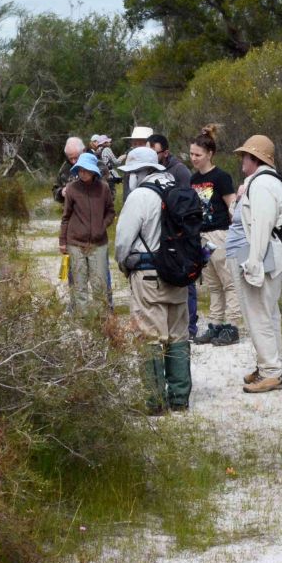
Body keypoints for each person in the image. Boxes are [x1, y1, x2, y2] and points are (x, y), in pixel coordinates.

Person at [114, 147, 191, 413]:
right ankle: (180, 399)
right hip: (179, 274)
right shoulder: (178, 188)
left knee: (149, 337)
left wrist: (124, 265)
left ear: (139, 172)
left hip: (148, 275)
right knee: (178, 335)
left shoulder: (140, 196)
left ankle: (155, 401)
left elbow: (123, 241)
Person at [229, 134, 282, 394]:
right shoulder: (261, 182)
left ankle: (271, 371)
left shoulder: (262, 184)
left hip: (261, 258)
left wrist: (253, 266)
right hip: (265, 255)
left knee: (258, 314)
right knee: (267, 312)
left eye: (245, 155)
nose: (242, 159)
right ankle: (270, 364)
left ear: (255, 158)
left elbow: (261, 227)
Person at [188, 125, 240, 346]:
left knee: (229, 281)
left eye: (198, 155)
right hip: (202, 236)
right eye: (191, 154)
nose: (194, 158)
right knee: (213, 283)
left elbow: (232, 206)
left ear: (209, 154)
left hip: (220, 234)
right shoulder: (193, 180)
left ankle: (232, 325)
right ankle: (215, 324)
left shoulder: (221, 177)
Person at [59, 152, 115, 312]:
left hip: (99, 243)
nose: (82, 173)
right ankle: (82, 319)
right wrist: (62, 242)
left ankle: (102, 319)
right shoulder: (71, 189)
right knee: (79, 283)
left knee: (99, 284)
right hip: (75, 243)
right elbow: (66, 217)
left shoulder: (103, 188)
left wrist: (102, 225)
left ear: (93, 171)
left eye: (86, 170)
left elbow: (111, 211)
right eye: (80, 170)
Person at [119, 126, 154, 202]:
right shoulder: (130, 163)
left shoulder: (159, 165)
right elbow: (126, 192)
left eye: (141, 144)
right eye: (135, 144)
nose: (137, 147)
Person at [53, 137, 85, 203]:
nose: (73, 161)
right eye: (70, 158)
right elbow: (55, 190)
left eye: (76, 158)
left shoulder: (95, 164)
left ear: (83, 152)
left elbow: (104, 189)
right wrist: (61, 192)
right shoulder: (64, 168)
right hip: (72, 208)